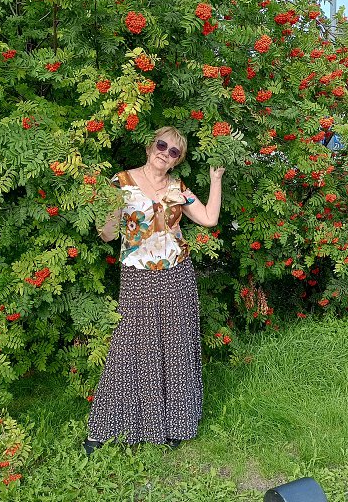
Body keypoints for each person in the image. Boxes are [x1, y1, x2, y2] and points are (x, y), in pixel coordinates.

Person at [83, 126, 225, 454]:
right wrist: (112, 211)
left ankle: (176, 425)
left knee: (176, 347)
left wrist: (215, 180)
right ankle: (103, 428)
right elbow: (106, 235)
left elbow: (208, 218)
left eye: (174, 151)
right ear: (150, 148)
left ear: (176, 161)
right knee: (128, 347)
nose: (165, 153)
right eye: (162, 145)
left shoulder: (178, 188)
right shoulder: (121, 182)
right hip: (138, 275)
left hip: (177, 274)